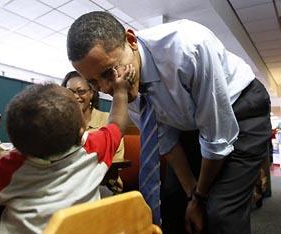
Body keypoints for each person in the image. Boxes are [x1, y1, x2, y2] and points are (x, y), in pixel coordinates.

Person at [66, 11, 272, 234]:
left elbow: (216, 138)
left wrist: (200, 197)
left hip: (239, 110)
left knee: (220, 213)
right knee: (173, 203)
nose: (107, 88)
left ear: (132, 41)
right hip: (187, 123)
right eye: (93, 83)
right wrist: (191, 193)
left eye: (108, 73)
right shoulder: (123, 83)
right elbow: (165, 138)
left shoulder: (187, 47)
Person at [0, 68, 133, 233]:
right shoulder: (93, 148)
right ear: (81, 132)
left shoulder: (13, 167)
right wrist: (120, 90)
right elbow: (118, 123)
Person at [61, 71, 125, 195]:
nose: (75, 96)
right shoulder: (60, 123)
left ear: (91, 93)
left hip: (102, 184)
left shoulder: (107, 120)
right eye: (70, 92)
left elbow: (116, 163)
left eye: (81, 91)